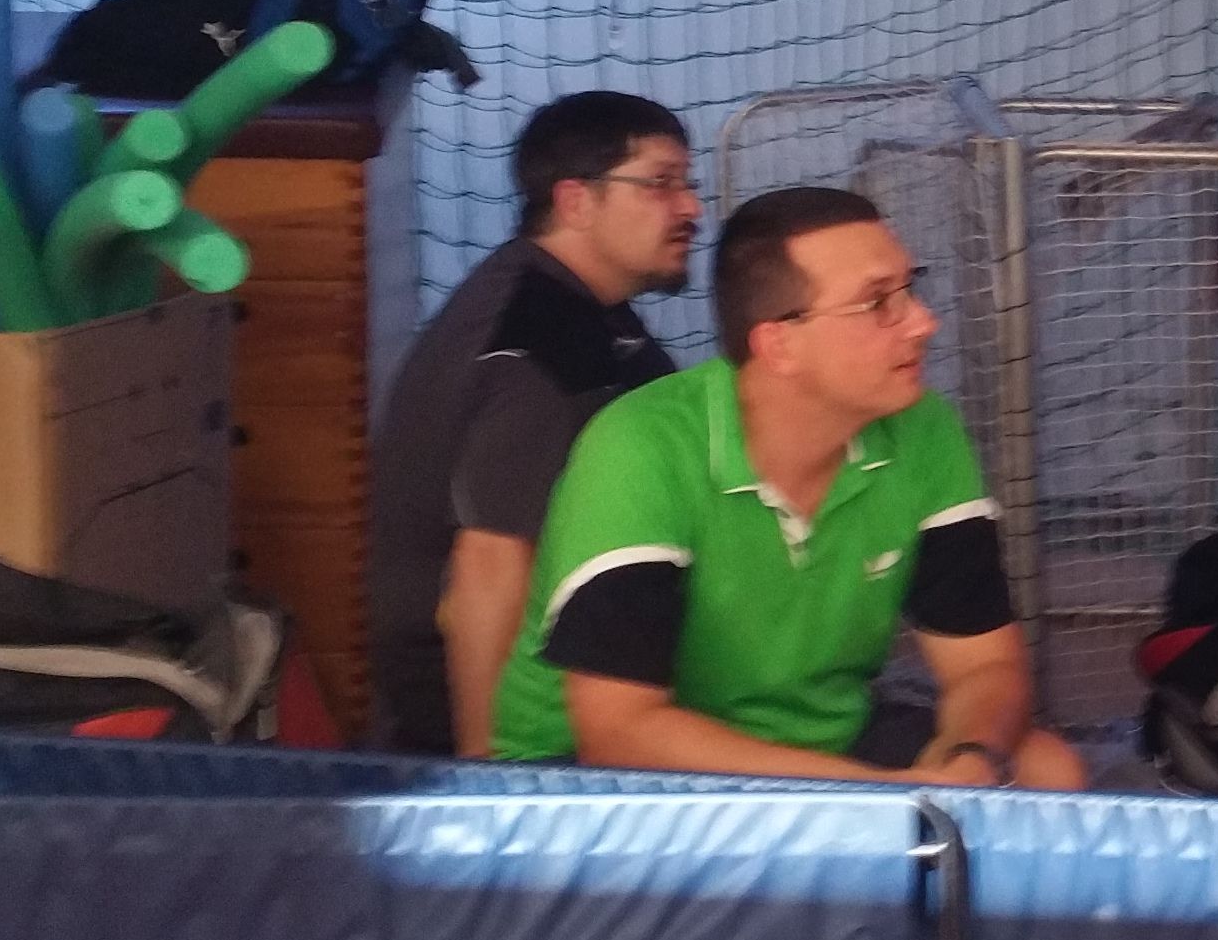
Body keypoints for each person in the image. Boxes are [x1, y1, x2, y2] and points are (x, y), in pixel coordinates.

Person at [497, 183, 1089, 787]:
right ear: (778, 343)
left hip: (819, 741)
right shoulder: (641, 446)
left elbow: (984, 665)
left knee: (1045, 769)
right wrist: (881, 798)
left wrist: (970, 758)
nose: (923, 322)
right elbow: (619, 733)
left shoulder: (922, 425)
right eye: (878, 302)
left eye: (911, 289)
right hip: (593, 780)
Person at [363, 91, 691, 757]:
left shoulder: (579, 306)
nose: (691, 208)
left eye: (687, 184)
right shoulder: (531, 350)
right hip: (497, 721)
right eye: (661, 184)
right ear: (576, 201)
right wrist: (493, 776)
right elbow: (486, 568)